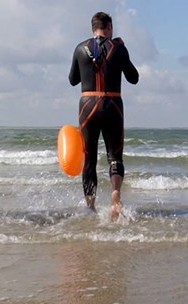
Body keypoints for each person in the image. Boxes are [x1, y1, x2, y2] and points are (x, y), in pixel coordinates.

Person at [69, 12, 139, 220]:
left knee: (89, 158)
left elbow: (73, 80)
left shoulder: (80, 48)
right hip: (113, 105)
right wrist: (121, 51)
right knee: (115, 157)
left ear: (93, 28)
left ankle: (90, 207)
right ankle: (115, 193)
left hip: (87, 106)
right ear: (108, 27)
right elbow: (133, 78)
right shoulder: (118, 48)